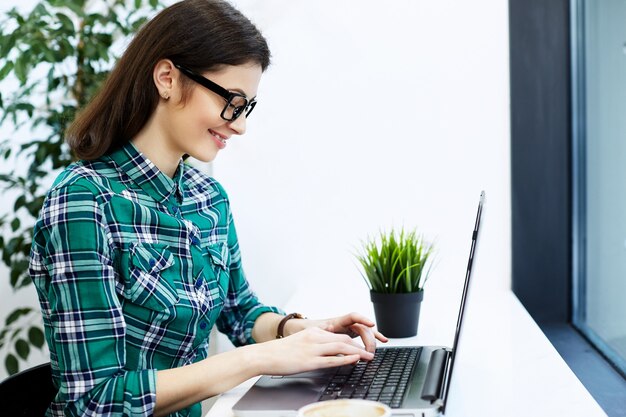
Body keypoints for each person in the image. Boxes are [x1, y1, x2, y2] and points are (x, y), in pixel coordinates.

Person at [29, 1, 387, 416]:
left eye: (246, 107)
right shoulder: (84, 202)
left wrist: (299, 330)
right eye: (232, 101)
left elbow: (239, 311)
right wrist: (260, 359)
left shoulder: (207, 196)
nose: (239, 125)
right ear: (167, 78)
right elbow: (95, 401)